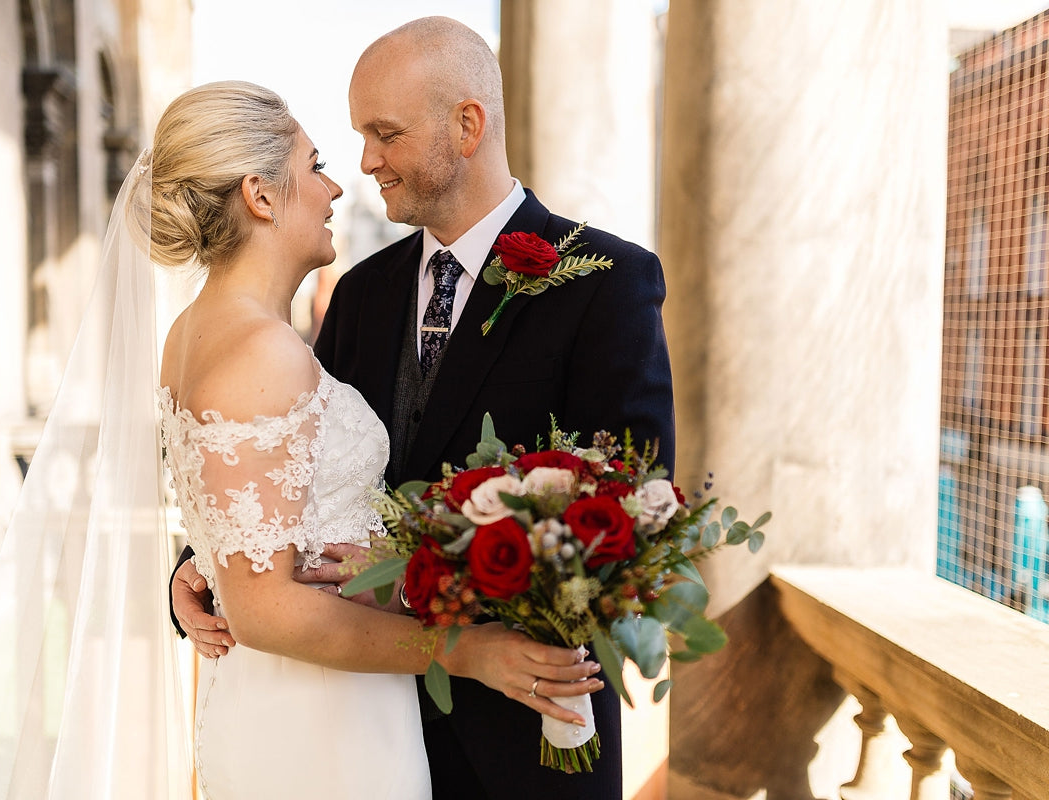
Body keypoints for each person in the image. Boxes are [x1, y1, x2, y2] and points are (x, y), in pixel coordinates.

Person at [173, 17, 675, 800]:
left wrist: (425, 582)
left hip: (526, 741)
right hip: (358, 733)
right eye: (356, 138)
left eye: (386, 133)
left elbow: (633, 519)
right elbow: (280, 472)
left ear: (467, 126)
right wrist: (199, 568)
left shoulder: (606, 284)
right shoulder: (361, 294)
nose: (365, 161)